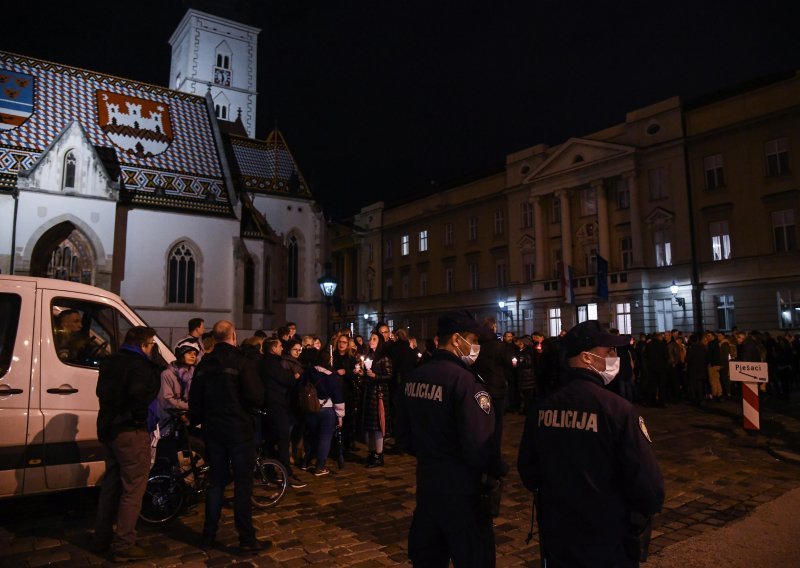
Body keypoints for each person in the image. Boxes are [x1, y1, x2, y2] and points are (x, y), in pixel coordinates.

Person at [517, 320, 664, 567]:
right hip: (607, 536)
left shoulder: (542, 407)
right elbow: (649, 485)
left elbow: (528, 470)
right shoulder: (618, 410)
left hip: (558, 534)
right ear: (586, 358)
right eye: (608, 352)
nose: (614, 357)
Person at [396, 310, 505, 568]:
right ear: (457, 340)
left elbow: (403, 436)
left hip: (428, 485)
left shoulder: (415, 377)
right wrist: (496, 469)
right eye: (473, 339)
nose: (476, 346)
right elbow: (479, 445)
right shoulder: (465, 383)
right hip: (463, 492)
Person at [188, 320, 267, 553]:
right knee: (243, 485)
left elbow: (195, 400)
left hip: (214, 430)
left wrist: (198, 420)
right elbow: (256, 396)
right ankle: (246, 538)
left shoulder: (204, 364)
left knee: (216, 483)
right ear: (233, 336)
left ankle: (208, 536)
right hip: (239, 429)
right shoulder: (241, 361)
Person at [94, 326, 161, 561]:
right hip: (130, 431)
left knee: (111, 484)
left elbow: (101, 392)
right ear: (144, 344)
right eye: (152, 344)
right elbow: (138, 395)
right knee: (133, 489)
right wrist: (141, 419)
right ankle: (123, 545)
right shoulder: (139, 365)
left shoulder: (111, 361)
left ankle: (102, 537)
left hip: (108, 429)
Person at [260, 338, 306, 489]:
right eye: (279, 346)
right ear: (273, 348)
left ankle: (271, 471)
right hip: (276, 405)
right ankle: (286, 473)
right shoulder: (271, 363)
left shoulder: (265, 361)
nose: (282, 348)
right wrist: (295, 377)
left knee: (272, 440)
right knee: (282, 439)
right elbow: (288, 380)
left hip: (272, 404)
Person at [300, 352, 345, 476]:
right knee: (325, 438)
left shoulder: (308, 372)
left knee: (311, 436)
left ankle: (306, 462)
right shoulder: (331, 376)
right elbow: (337, 396)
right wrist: (340, 415)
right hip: (326, 408)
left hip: (310, 408)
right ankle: (320, 466)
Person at [154, 342, 200, 466]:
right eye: (189, 353)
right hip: (169, 421)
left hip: (188, 418)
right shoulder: (167, 374)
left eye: (195, 354)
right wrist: (188, 407)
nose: (193, 356)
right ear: (180, 354)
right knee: (169, 452)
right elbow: (167, 399)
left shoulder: (194, 373)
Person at [356, 331, 393, 467]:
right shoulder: (368, 356)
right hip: (369, 394)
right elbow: (367, 375)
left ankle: (379, 454)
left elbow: (389, 376)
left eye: (374, 339)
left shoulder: (384, 357)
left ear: (380, 342)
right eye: (371, 339)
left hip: (379, 395)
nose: (371, 341)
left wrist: (375, 376)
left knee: (378, 426)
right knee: (370, 426)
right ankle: (371, 453)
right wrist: (362, 374)